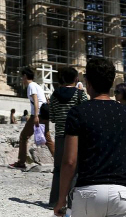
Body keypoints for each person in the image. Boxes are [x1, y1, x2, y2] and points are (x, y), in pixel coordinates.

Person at [53, 58, 126, 217]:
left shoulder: (78, 113)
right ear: (112, 82)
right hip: (123, 194)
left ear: (87, 82)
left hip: (88, 193)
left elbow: (69, 162)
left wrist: (61, 199)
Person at [48, 67, 89, 208]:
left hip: (60, 136)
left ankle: (54, 201)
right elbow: (86, 116)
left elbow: (52, 118)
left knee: (58, 169)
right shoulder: (80, 95)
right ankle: (72, 202)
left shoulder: (54, 96)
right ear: (76, 79)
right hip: (76, 138)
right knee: (75, 169)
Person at [10, 67, 54, 169]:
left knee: (23, 136)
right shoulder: (36, 85)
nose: (21, 79)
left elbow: (35, 100)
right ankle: (60, 163)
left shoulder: (31, 86)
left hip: (38, 115)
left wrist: (35, 116)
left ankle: (21, 162)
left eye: (22, 77)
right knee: (48, 140)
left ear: (25, 76)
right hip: (44, 114)